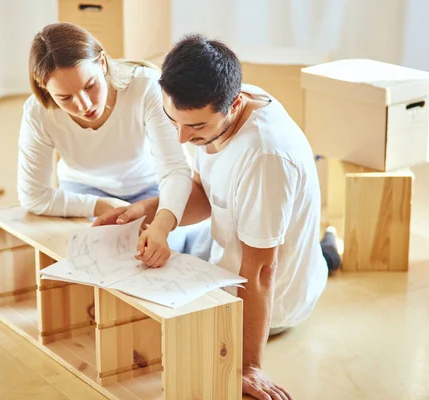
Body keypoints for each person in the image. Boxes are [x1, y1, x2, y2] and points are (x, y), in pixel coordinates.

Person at [93, 34, 342, 400]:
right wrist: (149, 209)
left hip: (272, 301)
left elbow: (261, 271)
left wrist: (248, 367)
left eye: (195, 128)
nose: (181, 137)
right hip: (233, 262)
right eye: (173, 120)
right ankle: (326, 251)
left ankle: (326, 254)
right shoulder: (221, 102)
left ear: (234, 104)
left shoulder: (265, 158)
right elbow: (208, 191)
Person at [17, 22, 192, 267]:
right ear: (45, 89)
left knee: (161, 256)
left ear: (102, 63)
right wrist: (104, 206)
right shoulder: (38, 113)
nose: (84, 105)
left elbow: (177, 169)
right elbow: (33, 196)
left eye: (90, 86)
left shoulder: (145, 86)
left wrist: (160, 222)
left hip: (150, 190)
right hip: (83, 191)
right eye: (65, 98)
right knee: (93, 259)